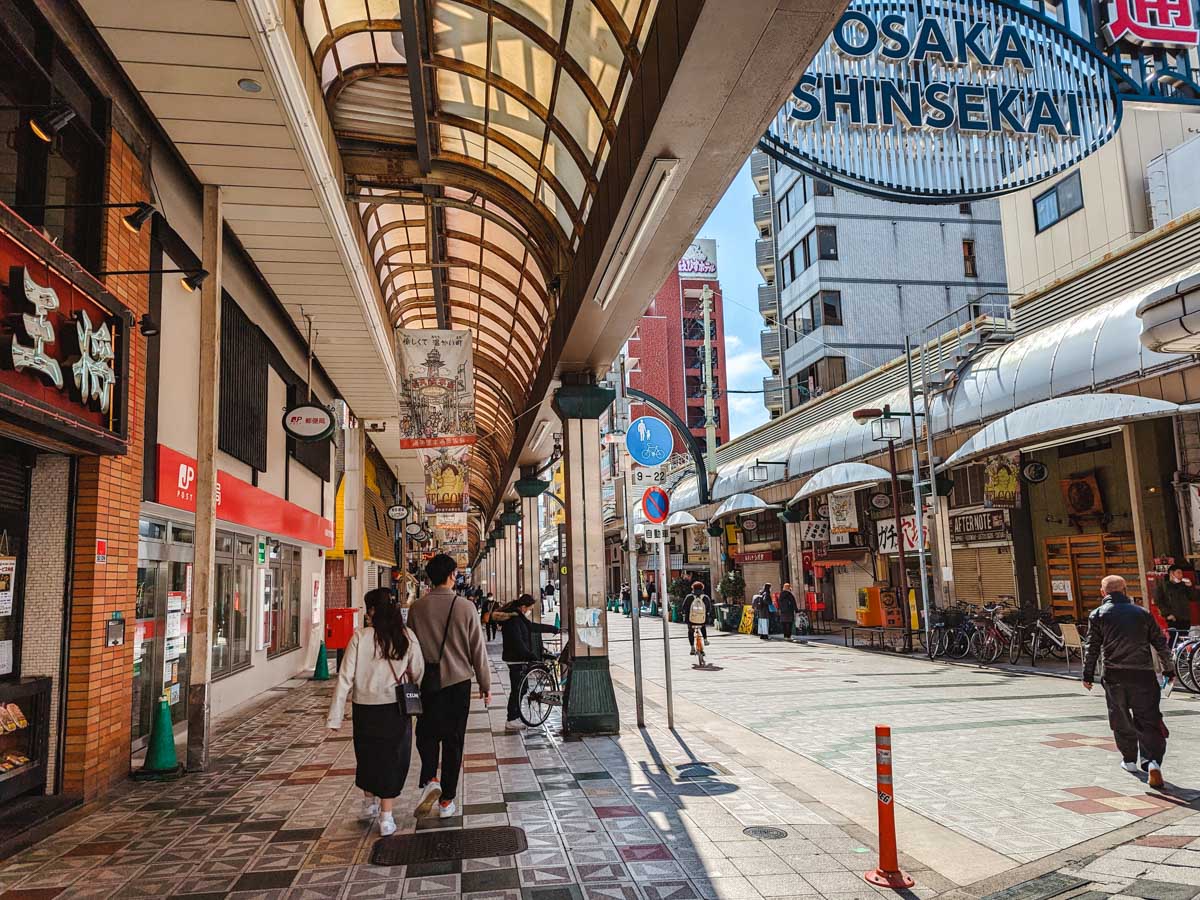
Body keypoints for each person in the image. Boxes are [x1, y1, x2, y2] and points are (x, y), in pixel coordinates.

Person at [326, 587, 424, 836]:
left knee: (368, 755)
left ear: (371, 610)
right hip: (395, 708)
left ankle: (368, 803)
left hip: (365, 708)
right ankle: (386, 817)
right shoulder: (406, 636)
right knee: (392, 758)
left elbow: (345, 678)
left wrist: (335, 715)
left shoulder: (360, 637)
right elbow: (419, 671)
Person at [407, 553, 491, 819]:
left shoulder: (416, 608)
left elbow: (410, 649)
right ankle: (446, 801)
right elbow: (478, 650)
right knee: (454, 740)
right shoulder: (465, 607)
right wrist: (485, 683)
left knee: (427, 734)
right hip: (458, 683)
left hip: (427, 683)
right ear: (452, 575)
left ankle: (431, 777)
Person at [1083, 574, 1174, 789]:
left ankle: (1130, 760)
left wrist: (1088, 675)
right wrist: (1169, 670)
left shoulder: (1097, 615)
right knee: (1148, 718)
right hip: (1143, 674)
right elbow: (1160, 643)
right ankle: (1152, 762)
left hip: (1114, 675)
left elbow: (1092, 647)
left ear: (1102, 593)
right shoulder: (1142, 613)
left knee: (1120, 716)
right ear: (1125, 590)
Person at [493, 593, 561, 730]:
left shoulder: (519, 618)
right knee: (517, 689)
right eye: (529, 608)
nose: (529, 610)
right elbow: (517, 642)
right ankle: (511, 719)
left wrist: (552, 629)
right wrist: (530, 655)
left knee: (520, 689)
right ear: (523, 607)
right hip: (515, 659)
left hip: (517, 658)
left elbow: (532, 627)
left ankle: (515, 716)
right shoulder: (514, 620)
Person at [1155, 565, 1193, 636]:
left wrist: (1190, 587)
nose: (1181, 575)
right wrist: (1167, 614)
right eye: (1178, 573)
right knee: (1173, 640)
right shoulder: (1163, 586)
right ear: (1172, 573)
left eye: (1181, 573)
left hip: (1185, 618)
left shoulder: (1183, 585)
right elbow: (1158, 601)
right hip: (1173, 619)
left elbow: (1193, 597)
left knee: (1184, 640)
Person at [683, 581, 713, 655]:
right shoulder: (705, 597)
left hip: (691, 620)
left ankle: (692, 647)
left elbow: (684, 608)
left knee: (690, 631)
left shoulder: (689, 597)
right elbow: (709, 608)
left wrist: (684, 614)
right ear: (702, 588)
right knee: (703, 626)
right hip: (702, 620)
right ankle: (705, 639)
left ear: (693, 588)